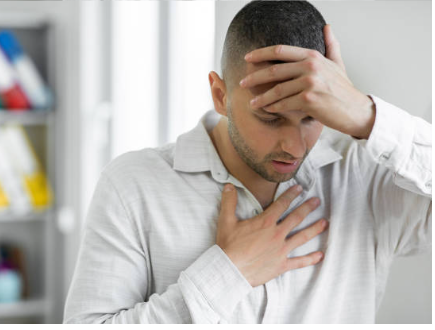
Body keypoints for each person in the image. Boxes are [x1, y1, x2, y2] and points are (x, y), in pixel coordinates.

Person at [63, 0, 431, 324]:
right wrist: (227, 274)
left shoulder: (369, 177)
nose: (293, 146)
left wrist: (367, 115)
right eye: (270, 118)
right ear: (220, 96)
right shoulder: (133, 185)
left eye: (310, 117)